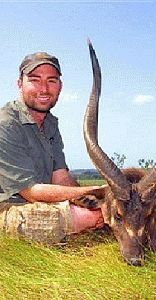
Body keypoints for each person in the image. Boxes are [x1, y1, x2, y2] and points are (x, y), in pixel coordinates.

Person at [0, 51, 105, 244]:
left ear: (60, 86)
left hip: (39, 202)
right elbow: (30, 191)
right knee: (84, 217)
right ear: (19, 84)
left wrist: (95, 202)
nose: (44, 89)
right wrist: (98, 191)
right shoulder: (5, 124)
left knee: (99, 212)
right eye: (35, 80)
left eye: (51, 81)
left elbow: (61, 177)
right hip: (8, 206)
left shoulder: (50, 124)